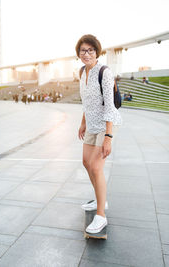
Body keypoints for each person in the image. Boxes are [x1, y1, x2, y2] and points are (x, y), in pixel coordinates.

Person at [76, 34, 122, 234]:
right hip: (91, 124)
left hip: (106, 124)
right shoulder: (81, 72)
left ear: (97, 52)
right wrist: (83, 122)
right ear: (78, 53)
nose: (86, 54)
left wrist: (108, 137)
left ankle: (101, 214)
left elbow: (110, 107)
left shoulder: (105, 72)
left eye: (90, 50)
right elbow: (87, 101)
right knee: (86, 163)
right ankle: (99, 197)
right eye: (83, 50)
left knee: (96, 167)